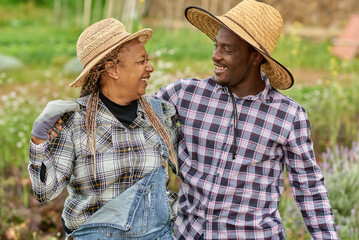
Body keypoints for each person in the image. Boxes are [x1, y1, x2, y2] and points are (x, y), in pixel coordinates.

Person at [155, 0, 339, 239]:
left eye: (227, 50)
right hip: (189, 234)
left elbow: (308, 188)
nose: (215, 56)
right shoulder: (185, 95)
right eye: (216, 46)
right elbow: (134, 115)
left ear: (255, 57)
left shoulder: (287, 116)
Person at [28, 18, 179, 240]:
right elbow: (44, 192)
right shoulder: (75, 122)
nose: (150, 68)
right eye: (142, 61)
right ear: (112, 69)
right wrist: (38, 140)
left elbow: (191, 171)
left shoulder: (160, 114)